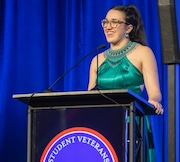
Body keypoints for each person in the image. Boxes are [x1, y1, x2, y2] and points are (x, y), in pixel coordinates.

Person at [87, 4, 164, 161]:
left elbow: (155, 92)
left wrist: (154, 102)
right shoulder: (96, 59)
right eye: (105, 22)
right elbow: (90, 98)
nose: (108, 27)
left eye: (114, 22)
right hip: (104, 126)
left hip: (133, 123)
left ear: (128, 28)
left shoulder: (143, 52)